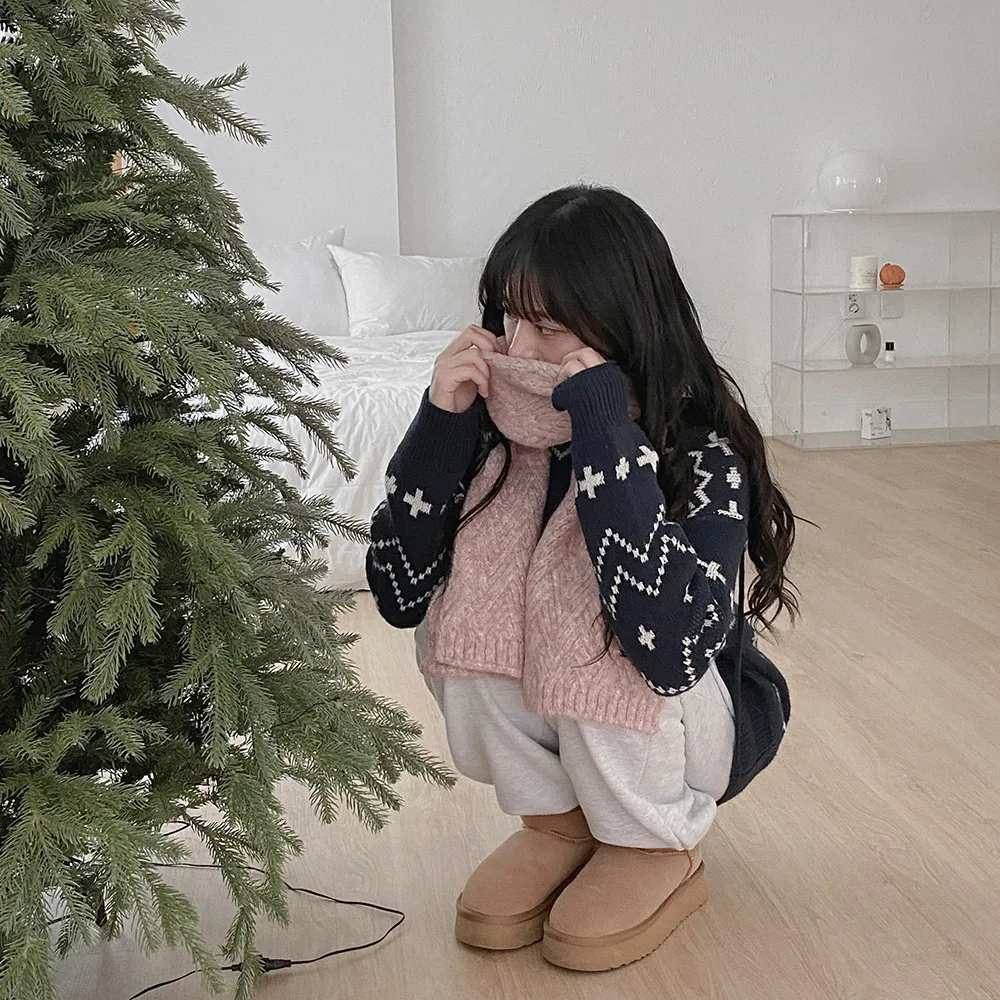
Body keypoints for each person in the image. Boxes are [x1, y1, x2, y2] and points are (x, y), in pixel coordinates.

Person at [366, 185, 795, 972]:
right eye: (507, 319)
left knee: (594, 621)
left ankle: (650, 843)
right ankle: (559, 823)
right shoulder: (495, 443)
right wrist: (441, 423)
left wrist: (605, 434)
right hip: (607, 718)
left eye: (548, 327)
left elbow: (669, 647)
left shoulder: (701, 455)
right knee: (463, 610)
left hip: (700, 715)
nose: (517, 349)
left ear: (619, 327)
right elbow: (398, 592)